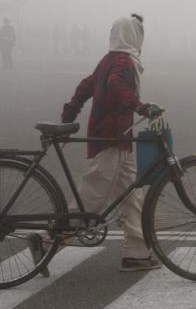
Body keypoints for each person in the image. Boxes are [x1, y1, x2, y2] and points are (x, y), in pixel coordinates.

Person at [57, 14, 163, 272]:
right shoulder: (122, 60)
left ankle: (136, 253)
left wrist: (70, 112)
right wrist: (140, 106)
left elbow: (87, 85)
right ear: (133, 37)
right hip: (111, 136)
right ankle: (49, 238)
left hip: (119, 136)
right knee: (94, 192)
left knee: (131, 195)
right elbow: (116, 85)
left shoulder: (110, 59)